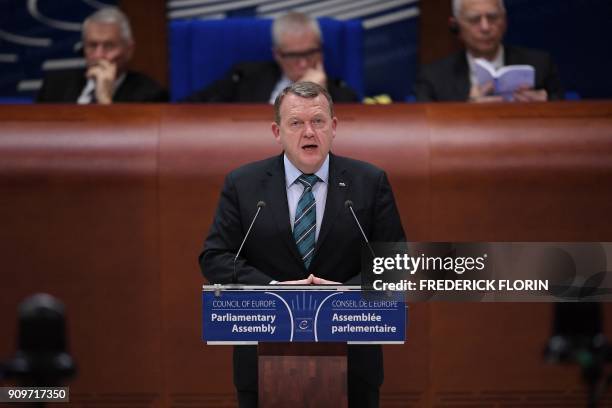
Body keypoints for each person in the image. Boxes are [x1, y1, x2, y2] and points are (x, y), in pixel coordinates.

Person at [199, 81, 405, 407]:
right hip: (263, 357)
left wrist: (342, 296)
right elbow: (215, 258)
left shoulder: (369, 182)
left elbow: (395, 265)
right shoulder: (244, 184)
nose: (309, 132)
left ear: (333, 127)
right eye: (296, 123)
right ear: (277, 131)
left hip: (353, 362)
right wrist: (275, 289)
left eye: (318, 121)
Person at [184, 12, 359, 103]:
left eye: (310, 53)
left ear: (321, 49)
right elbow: (191, 109)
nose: (304, 63)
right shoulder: (244, 77)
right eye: (293, 56)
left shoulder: (341, 93)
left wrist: (318, 93)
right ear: (277, 55)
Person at [414, 0, 563, 102]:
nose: (485, 27)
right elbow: (426, 130)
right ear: (455, 25)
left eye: (493, 17)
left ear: (504, 21)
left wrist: (547, 105)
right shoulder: (433, 77)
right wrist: (468, 110)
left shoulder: (540, 64)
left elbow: (567, 119)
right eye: (474, 20)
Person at [37, 7, 168, 104]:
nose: (99, 55)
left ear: (129, 49)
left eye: (109, 46)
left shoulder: (150, 94)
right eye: (92, 45)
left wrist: (104, 98)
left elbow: (130, 139)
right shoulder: (54, 86)